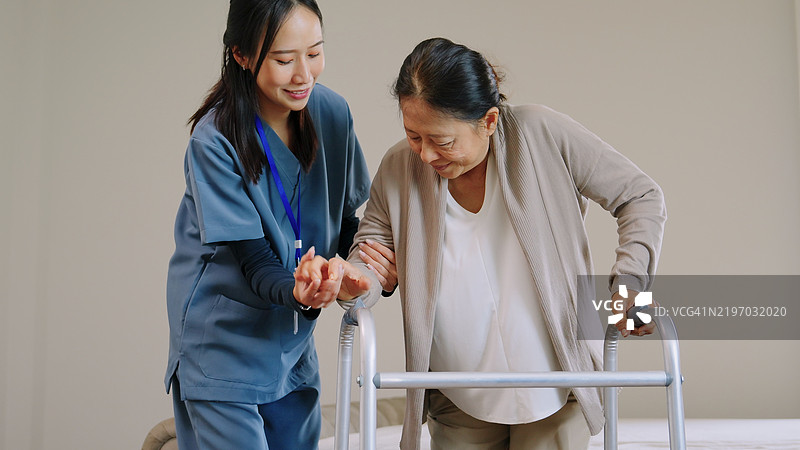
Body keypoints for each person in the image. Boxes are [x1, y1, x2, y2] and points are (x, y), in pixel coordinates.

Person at [346, 37, 667, 450]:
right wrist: (349, 279)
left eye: (442, 142)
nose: (425, 155)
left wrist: (630, 285)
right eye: (413, 136)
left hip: (556, 383)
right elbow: (370, 255)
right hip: (458, 396)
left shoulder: (542, 133)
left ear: (490, 121)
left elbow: (640, 196)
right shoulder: (398, 166)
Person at [164, 1, 395, 448]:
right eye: (285, 60)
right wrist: (301, 291)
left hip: (292, 345)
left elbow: (345, 222)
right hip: (224, 350)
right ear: (242, 56)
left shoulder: (332, 115)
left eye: (315, 53)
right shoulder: (215, 141)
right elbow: (254, 263)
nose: (304, 75)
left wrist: (361, 272)